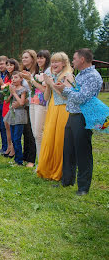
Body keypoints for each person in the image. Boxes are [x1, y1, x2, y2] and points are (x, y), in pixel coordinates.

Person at [53, 48, 103, 196]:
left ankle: (83, 188)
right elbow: (75, 93)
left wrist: (65, 90)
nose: (72, 61)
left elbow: (82, 97)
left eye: (74, 59)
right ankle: (67, 181)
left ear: (82, 59)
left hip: (83, 116)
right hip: (73, 114)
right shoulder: (80, 74)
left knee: (82, 152)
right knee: (68, 149)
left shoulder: (93, 76)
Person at [37, 52, 74, 181]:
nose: (53, 64)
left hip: (64, 110)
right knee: (49, 138)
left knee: (59, 140)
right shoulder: (53, 75)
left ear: (64, 63)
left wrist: (51, 83)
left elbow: (66, 96)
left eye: (56, 62)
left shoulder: (68, 76)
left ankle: (59, 171)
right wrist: (48, 84)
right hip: (52, 108)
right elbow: (46, 97)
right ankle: (47, 169)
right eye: (52, 62)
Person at [21, 50, 50, 164]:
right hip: (33, 102)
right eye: (38, 58)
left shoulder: (47, 72)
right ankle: (40, 162)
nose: (39, 60)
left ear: (47, 59)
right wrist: (29, 80)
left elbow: (44, 90)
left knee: (38, 134)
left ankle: (42, 162)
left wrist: (31, 79)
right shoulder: (39, 71)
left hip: (41, 104)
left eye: (42, 58)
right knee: (35, 133)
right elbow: (32, 88)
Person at [4, 72, 29, 166]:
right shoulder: (12, 88)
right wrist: (10, 93)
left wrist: (14, 93)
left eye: (16, 77)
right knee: (13, 138)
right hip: (12, 114)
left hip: (19, 114)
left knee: (17, 138)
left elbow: (21, 102)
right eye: (12, 78)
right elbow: (6, 101)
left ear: (21, 79)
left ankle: (19, 160)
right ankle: (16, 159)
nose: (13, 79)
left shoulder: (23, 90)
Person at [20, 49, 37, 167]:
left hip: (35, 103)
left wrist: (29, 80)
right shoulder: (25, 71)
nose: (24, 59)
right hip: (26, 104)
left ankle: (32, 159)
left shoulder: (36, 72)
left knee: (32, 132)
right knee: (25, 131)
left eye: (26, 57)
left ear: (32, 58)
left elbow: (35, 89)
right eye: (23, 57)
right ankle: (25, 156)